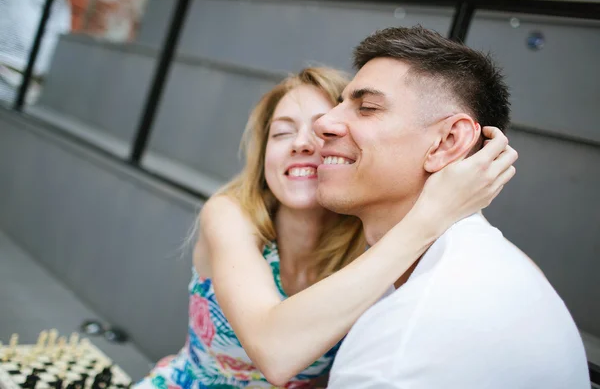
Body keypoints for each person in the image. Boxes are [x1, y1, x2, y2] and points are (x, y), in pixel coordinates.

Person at [135, 67, 516, 389]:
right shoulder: (230, 214)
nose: (301, 144)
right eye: (281, 133)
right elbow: (275, 351)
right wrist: (431, 215)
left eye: (321, 131)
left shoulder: (370, 243)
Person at [312, 26, 590, 388]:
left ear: (448, 141)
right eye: (340, 103)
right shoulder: (472, 261)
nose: (323, 123)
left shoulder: (408, 340)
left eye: (367, 108)